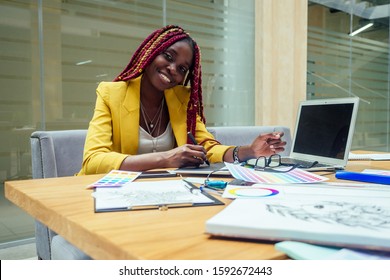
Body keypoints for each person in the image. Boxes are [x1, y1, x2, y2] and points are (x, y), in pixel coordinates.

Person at [78, 25, 286, 175]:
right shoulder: (111, 94)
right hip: (112, 194)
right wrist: (166, 158)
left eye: (182, 68)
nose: (172, 69)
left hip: (166, 194)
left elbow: (207, 149)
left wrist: (250, 151)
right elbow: (93, 161)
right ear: (151, 52)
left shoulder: (182, 100)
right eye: (168, 56)